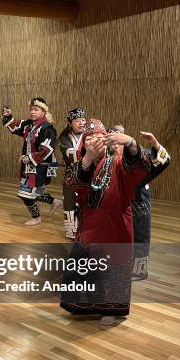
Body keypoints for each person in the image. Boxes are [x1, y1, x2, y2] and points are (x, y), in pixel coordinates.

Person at [60, 119, 152, 327]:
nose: (93, 142)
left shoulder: (119, 163)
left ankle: (113, 310)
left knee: (113, 269)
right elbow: (71, 184)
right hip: (89, 226)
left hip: (115, 226)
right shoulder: (83, 163)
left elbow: (141, 167)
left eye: (99, 137)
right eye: (88, 139)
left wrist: (131, 144)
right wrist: (86, 160)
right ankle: (85, 305)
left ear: (108, 140)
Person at [108, 126, 171, 280]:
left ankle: (138, 270)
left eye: (119, 142)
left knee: (140, 235)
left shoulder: (141, 156)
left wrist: (154, 142)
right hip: (118, 204)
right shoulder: (109, 160)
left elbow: (165, 160)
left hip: (138, 201)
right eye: (113, 143)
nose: (116, 145)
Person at [2, 98, 62, 226]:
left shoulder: (48, 128)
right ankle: (55, 202)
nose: (32, 112)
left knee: (25, 194)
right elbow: (15, 126)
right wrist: (8, 116)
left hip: (40, 165)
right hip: (30, 166)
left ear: (43, 112)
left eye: (36, 109)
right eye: (31, 109)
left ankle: (36, 217)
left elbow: (47, 149)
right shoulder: (29, 125)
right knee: (37, 192)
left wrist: (28, 158)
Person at [58, 107, 87, 239]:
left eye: (83, 120)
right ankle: (72, 232)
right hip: (71, 176)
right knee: (69, 203)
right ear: (70, 123)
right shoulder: (64, 138)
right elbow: (72, 155)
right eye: (77, 120)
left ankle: (87, 230)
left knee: (88, 203)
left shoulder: (90, 134)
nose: (81, 123)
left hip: (88, 176)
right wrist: (90, 152)